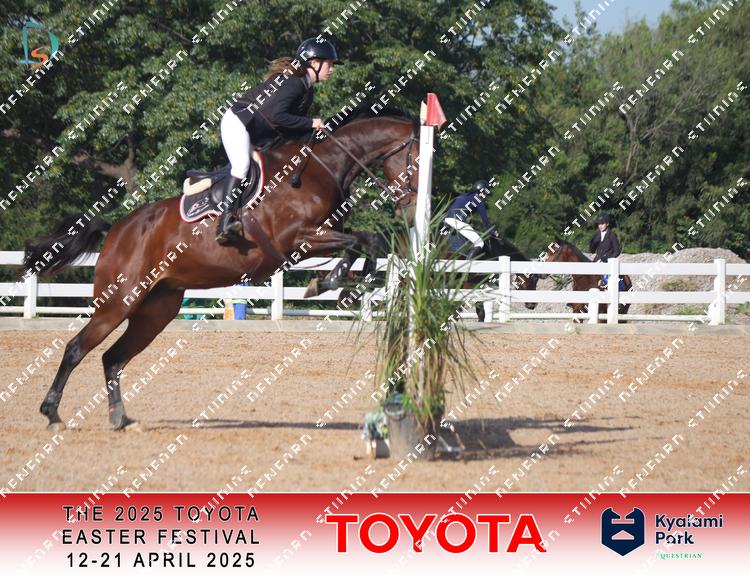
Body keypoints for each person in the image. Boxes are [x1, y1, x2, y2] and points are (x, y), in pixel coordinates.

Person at [215, 38, 340, 244]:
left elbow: (289, 128)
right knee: (242, 165)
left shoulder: (306, 88)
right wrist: (311, 123)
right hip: (238, 123)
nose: (332, 69)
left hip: (257, 132)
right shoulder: (293, 83)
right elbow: (277, 117)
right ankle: (225, 222)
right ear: (314, 63)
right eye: (329, 63)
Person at [443, 179, 498, 259]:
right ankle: (468, 264)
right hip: (457, 222)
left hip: (446, 220)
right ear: (481, 191)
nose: (485, 196)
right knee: (480, 243)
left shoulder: (464, 196)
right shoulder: (478, 201)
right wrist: (494, 232)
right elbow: (486, 221)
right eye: (485, 193)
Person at [589, 212, 622, 288]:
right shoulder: (596, 234)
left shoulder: (612, 235)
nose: (600, 226)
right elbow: (592, 251)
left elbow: (617, 251)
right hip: (597, 260)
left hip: (607, 262)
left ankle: (606, 285)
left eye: (602, 224)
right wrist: (592, 243)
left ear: (607, 224)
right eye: (599, 224)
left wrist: (608, 258)